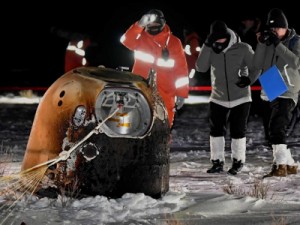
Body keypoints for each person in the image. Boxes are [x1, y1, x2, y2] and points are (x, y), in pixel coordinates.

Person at [196, 20, 260, 175]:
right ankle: (217, 162)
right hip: (218, 97)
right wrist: (206, 45)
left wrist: (248, 80)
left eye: (222, 39)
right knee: (216, 130)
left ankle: (238, 161)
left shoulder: (243, 48)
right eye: (215, 40)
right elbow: (201, 67)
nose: (219, 43)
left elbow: (256, 66)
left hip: (241, 97)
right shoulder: (210, 49)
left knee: (238, 130)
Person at [120, 9, 189, 127]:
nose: (153, 27)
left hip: (166, 92)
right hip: (140, 89)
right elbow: (125, 41)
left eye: (156, 24)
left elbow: (181, 70)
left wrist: (182, 93)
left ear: (163, 23)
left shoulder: (174, 42)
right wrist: (138, 25)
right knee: (137, 123)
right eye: (150, 24)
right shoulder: (140, 37)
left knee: (164, 125)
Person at [253, 8, 300, 177]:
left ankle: (280, 166)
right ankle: (291, 165)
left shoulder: (295, 41)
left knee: (277, 127)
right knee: (272, 131)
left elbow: (295, 62)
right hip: (271, 87)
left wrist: (277, 44)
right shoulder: (269, 42)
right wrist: (261, 43)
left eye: (277, 29)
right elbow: (257, 64)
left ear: (285, 27)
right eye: (271, 30)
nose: (274, 32)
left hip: (288, 89)